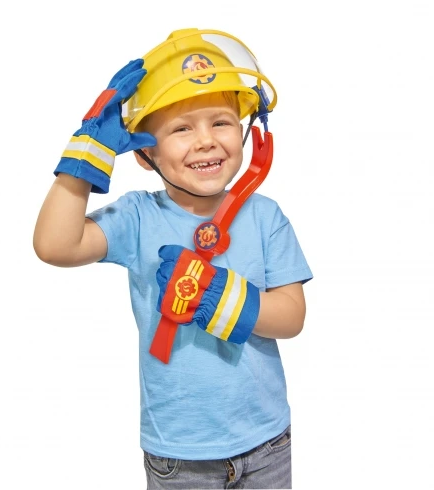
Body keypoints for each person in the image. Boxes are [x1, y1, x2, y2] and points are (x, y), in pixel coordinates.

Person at [33, 28, 313, 489]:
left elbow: (293, 317)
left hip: (266, 444)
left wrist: (226, 300)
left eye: (221, 122)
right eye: (182, 128)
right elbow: (55, 246)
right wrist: (87, 155)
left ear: (247, 132)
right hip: (180, 455)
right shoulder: (137, 217)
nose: (205, 141)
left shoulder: (266, 216)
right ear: (146, 152)